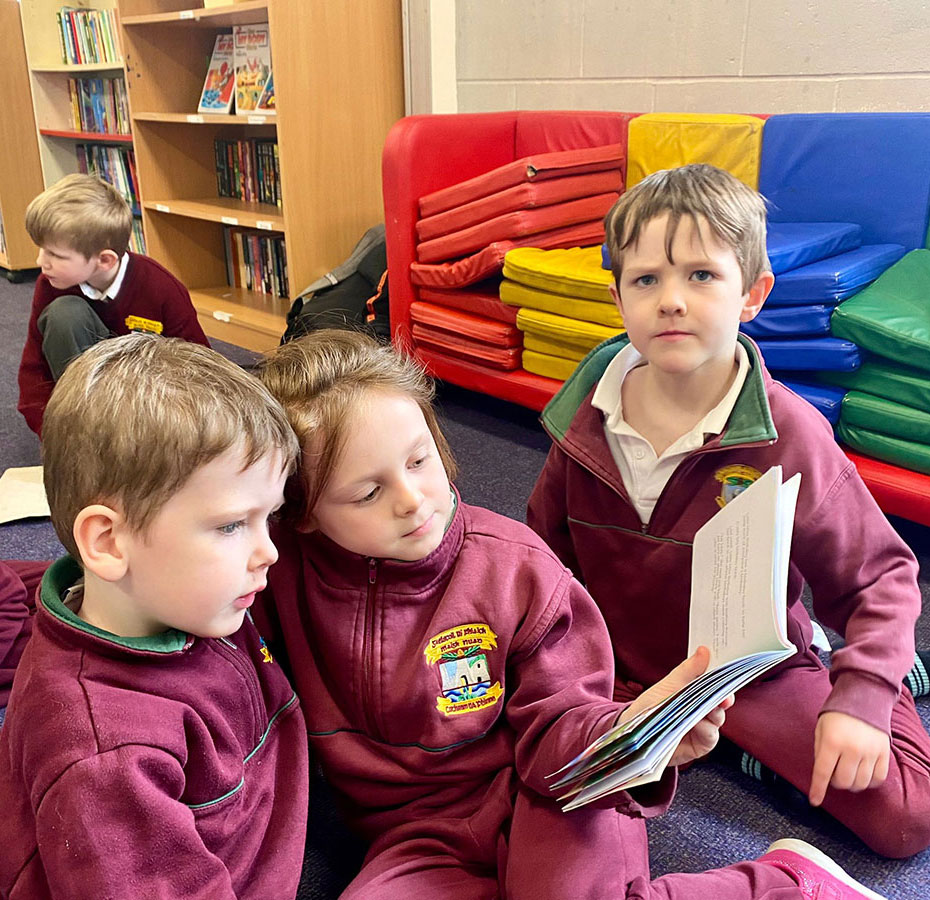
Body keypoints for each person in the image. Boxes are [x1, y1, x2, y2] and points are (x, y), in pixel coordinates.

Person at [255, 327, 885, 899]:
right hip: (417, 837)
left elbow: (564, 724)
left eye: (420, 460)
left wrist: (640, 733)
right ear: (303, 515)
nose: (414, 498)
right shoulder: (273, 575)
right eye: (368, 491)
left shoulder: (517, 570)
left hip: (552, 796)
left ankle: (786, 884)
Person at [527, 163, 930, 859]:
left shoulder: (790, 431)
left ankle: (886, 668)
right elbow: (541, 564)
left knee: (906, 815)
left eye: (701, 276)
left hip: (752, 673)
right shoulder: (581, 421)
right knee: (548, 783)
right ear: (618, 296)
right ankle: (750, 753)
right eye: (646, 279)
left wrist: (861, 698)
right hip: (625, 672)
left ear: (753, 293)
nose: (671, 301)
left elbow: (881, 576)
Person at [0, 334, 309, 899]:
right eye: (232, 525)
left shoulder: (186, 596)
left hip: (268, 816)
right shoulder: (106, 757)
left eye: (272, 517)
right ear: (110, 542)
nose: (269, 551)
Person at [17, 173, 209, 435]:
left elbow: (199, 367)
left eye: (55, 254)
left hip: (147, 402)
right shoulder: (50, 285)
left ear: (104, 260)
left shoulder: (160, 288)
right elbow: (34, 368)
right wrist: (51, 430)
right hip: (85, 403)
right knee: (64, 314)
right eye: (42, 249)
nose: (41, 260)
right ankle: (85, 434)